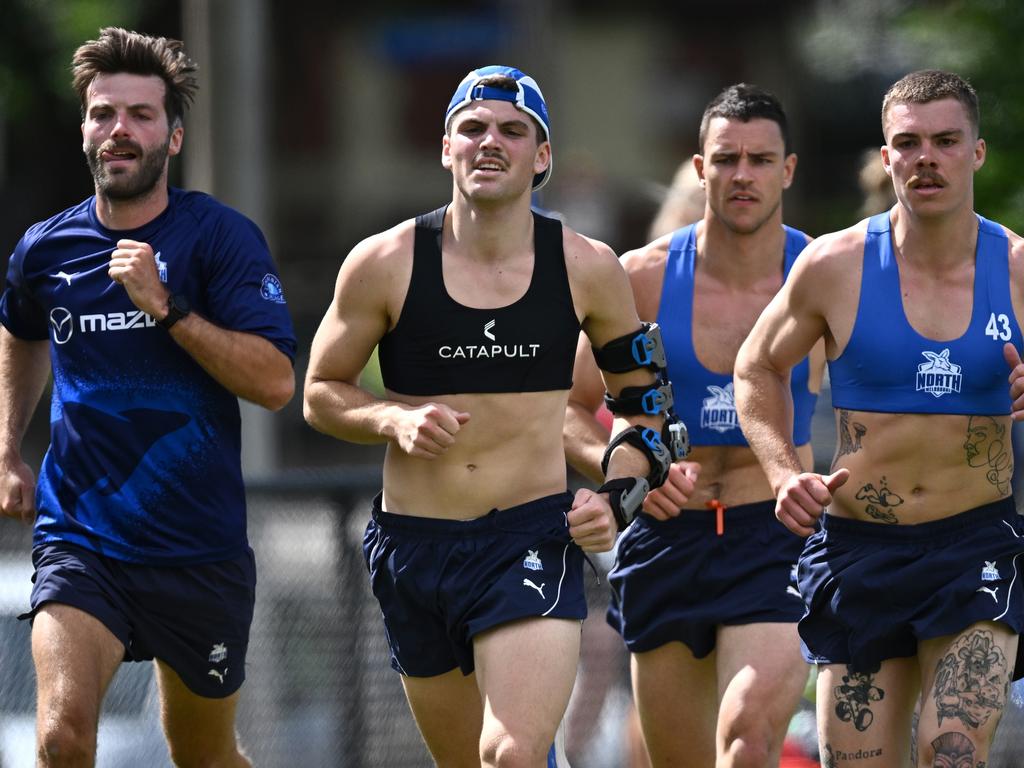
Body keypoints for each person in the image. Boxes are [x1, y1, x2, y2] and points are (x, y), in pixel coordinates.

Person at [303, 65, 682, 768]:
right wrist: (391, 420)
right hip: (413, 546)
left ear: (541, 158)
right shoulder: (383, 262)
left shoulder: (586, 267)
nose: (489, 142)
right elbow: (321, 392)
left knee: (507, 754)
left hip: (527, 537)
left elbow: (647, 413)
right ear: (446, 147)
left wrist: (618, 497)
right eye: (472, 128)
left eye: (513, 131)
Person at [0, 27, 296, 767]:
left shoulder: (221, 240)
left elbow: (274, 382)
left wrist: (166, 308)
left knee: (204, 756)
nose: (120, 130)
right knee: (61, 739)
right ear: (85, 132)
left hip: (200, 552)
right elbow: (20, 329)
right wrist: (7, 446)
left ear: (174, 134)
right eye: (104, 114)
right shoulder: (47, 248)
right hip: (81, 539)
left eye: (140, 114)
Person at [734, 69, 1024, 766]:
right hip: (859, 549)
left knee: (951, 749)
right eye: (909, 143)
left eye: (947, 141)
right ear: (886, 156)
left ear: (975, 152)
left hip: (975, 547)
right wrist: (782, 472)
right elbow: (756, 368)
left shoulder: (1016, 267)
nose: (928, 158)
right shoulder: (835, 265)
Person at [565, 83, 822, 767]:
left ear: (788, 170)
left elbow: (901, 376)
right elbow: (566, 409)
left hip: (774, 536)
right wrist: (622, 472)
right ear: (700, 167)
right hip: (666, 538)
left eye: (761, 160)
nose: (743, 175)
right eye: (727, 158)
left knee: (744, 737)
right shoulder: (640, 280)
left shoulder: (824, 275)